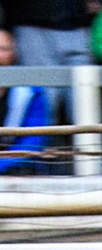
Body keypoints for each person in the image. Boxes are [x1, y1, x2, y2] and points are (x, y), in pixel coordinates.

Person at [0, 29, 55, 175]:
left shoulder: (32, 93)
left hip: (17, 168)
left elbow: (33, 141)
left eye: (4, 49)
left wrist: (2, 164)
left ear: (14, 53)